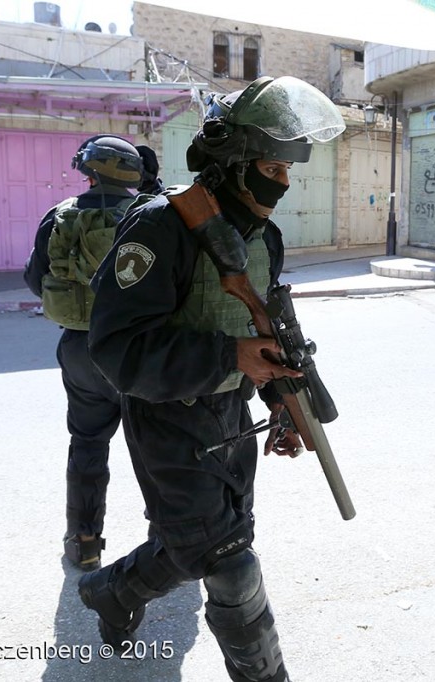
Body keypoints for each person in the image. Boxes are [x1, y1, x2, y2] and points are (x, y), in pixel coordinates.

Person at [78, 76, 345, 682]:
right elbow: (117, 350)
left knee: (208, 540)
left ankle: (114, 591)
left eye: (286, 170)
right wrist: (230, 357)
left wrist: (284, 398)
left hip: (231, 416)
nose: (280, 183)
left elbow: (270, 331)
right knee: (231, 564)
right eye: (270, 168)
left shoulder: (262, 238)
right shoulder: (159, 228)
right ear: (230, 163)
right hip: (168, 418)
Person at [23, 135, 143, 571]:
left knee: (88, 443)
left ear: (89, 172)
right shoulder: (148, 216)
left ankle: (85, 542)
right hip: (139, 350)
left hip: (80, 346)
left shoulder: (60, 217)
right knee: (153, 445)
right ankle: (168, 538)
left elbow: (36, 280)